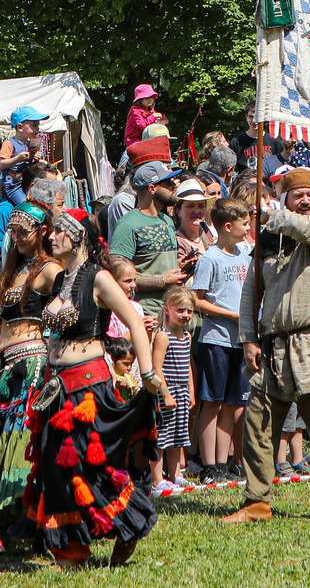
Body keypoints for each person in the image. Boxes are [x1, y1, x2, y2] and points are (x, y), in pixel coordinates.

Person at [21, 209, 161, 567]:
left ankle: (131, 523)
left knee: (92, 465)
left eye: (60, 233)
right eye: (50, 233)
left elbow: (132, 318)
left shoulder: (98, 278)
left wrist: (147, 373)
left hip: (88, 389)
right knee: (55, 466)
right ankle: (72, 549)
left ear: (79, 237)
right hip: (57, 390)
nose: (51, 239)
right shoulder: (58, 280)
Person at [222, 169, 310, 523]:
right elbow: (252, 293)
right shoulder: (268, 240)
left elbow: (304, 228)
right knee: (258, 424)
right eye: (297, 195)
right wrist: (248, 338)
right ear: (285, 198)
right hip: (273, 347)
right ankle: (257, 503)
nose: (306, 200)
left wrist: (274, 216)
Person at [0, 201, 61, 550]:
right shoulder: (12, 268)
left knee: (23, 441)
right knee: (4, 441)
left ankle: (28, 517)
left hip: (33, 364)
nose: (18, 238)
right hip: (7, 365)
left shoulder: (49, 269)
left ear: (41, 232)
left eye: (24, 231)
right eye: (14, 231)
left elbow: (70, 299)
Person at [192, 198, 251, 484]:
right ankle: (208, 464)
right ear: (228, 226)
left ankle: (224, 462)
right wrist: (230, 314)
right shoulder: (210, 258)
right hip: (216, 340)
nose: (248, 227)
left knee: (231, 405)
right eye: (244, 223)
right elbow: (197, 300)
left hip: (239, 341)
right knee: (212, 403)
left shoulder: (244, 254)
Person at [109, 145, 188, 316]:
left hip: (171, 315)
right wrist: (162, 281)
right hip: (144, 315)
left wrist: (179, 266)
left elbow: (161, 266)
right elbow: (117, 276)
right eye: (167, 182)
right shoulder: (127, 225)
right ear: (152, 188)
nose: (174, 186)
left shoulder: (167, 220)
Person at [151, 287, 196, 492]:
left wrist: (191, 391)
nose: (185, 315)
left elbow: (187, 365)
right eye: (180, 310)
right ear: (167, 310)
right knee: (163, 436)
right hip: (166, 393)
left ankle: (176, 474)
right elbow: (156, 368)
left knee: (179, 435)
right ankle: (157, 478)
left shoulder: (187, 335)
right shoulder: (163, 335)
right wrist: (165, 394)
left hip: (182, 392)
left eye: (189, 311)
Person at [2, 106, 44, 206]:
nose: (37, 129)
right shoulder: (9, 144)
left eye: (37, 126)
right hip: (11, 186)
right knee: (27, 206)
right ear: (20, 127)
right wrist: (17, 159)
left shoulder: (29, 144)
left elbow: (27, 165)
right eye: (34, 126)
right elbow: (1, 164)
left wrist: (34, 159)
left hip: (24, 183)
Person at [230, 101, 285, 172]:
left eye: (257, 117)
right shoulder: (236, 142)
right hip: (246, 181)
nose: (254, 120)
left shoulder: (274, 141)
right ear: (246, 117)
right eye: (251, 117)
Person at [124, 84, 166, 149]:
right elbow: (142, 125)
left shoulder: (151, 110)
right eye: (146, 97)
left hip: (148, 139)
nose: (150, 99)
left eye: (152, 97)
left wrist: (160, 119)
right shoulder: (135, 111)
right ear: (140, 99)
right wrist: (154, 116)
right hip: (134, 140)